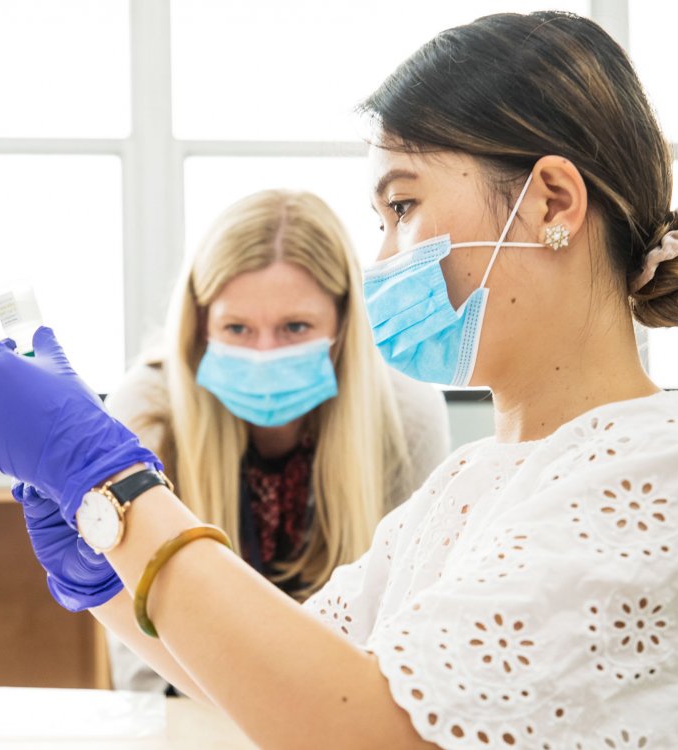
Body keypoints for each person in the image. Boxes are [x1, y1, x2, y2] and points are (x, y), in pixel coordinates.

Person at [0, 11, 678, 748]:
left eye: (403, 206)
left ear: (552, 203)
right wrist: (103, 569)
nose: (383, 259)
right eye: (380, 219)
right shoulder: (471, 482)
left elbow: (374, 735)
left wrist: (114, 488)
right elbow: (286, 683)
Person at [105, 189, 449, 693]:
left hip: (347, 703)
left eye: (294, 327)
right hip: (192, 699)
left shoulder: (405, 414)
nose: (264, 353)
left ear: (343, 323)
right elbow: (140, 636)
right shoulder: (147, 413)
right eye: (237, 327)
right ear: (201, 325)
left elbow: (407, 616)